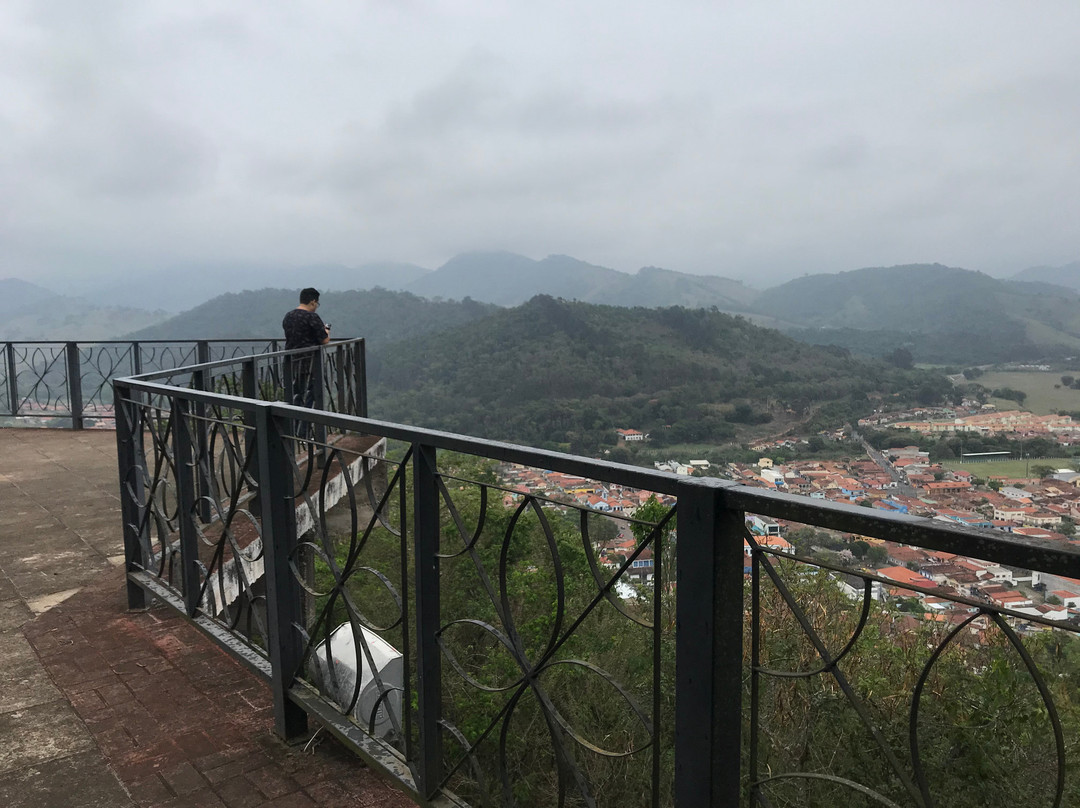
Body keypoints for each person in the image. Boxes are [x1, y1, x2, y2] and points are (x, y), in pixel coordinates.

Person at [282, 288, 331, 415]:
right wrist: (326, 331)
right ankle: (304, 429)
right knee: (310, 397)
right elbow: (324, 340)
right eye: (317, 304)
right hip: (309, 363)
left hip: (291, 361)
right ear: (313, 302)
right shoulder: (312, 317)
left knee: (295, 396)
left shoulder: (289, 316)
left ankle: (294, 427)